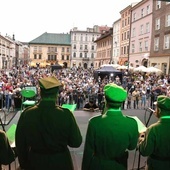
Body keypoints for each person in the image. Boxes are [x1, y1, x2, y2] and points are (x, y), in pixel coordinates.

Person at [15, 76, 82, 170]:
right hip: (61, 163)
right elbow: (76, 142)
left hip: (35, 162)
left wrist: (24, 164)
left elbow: (20, 144)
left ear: (40, 93)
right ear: (56, 94)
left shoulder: (27, 114)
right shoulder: (66, 114)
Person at [82, 83, 139, 170]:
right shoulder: (132, 123)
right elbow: (132, 147)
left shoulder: (94, 122)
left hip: (98, 166)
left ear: (105, 101)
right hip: (120, 166)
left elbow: (88, 152)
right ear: (122, 102)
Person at [139, 95, 170, 170]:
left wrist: (141, 139)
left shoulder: (153, 129)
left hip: (156, 165)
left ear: (159, 110)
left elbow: (145, 152)